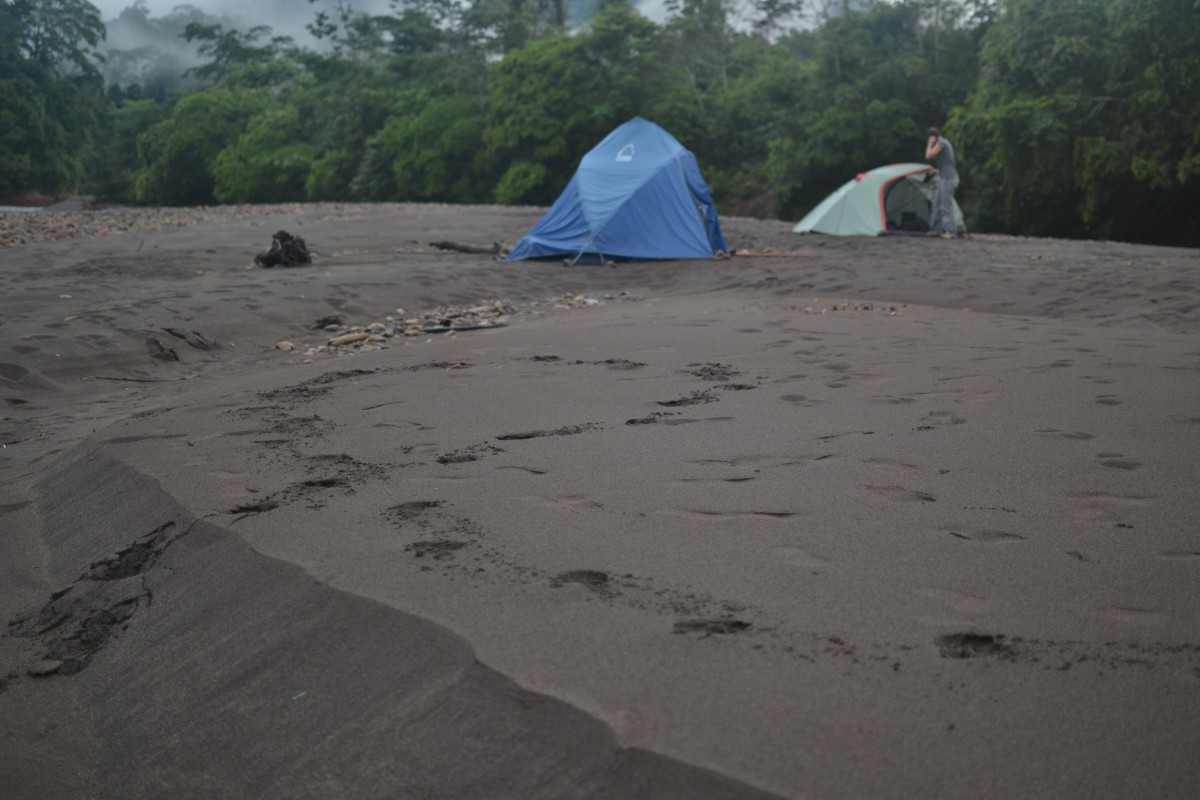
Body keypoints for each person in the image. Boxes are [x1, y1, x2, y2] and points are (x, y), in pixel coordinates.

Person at [924, 127, 959, 238]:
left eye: (930, 138)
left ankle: (951, 232)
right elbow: (949, 162)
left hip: (949, 178)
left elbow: (928, 155)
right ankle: (935, 230)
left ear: (933, 137)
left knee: (946, 205)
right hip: (945, 176)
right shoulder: (945, 143)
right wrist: (938, 171)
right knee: (936, 203)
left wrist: (929, 144)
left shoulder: (942, 143)